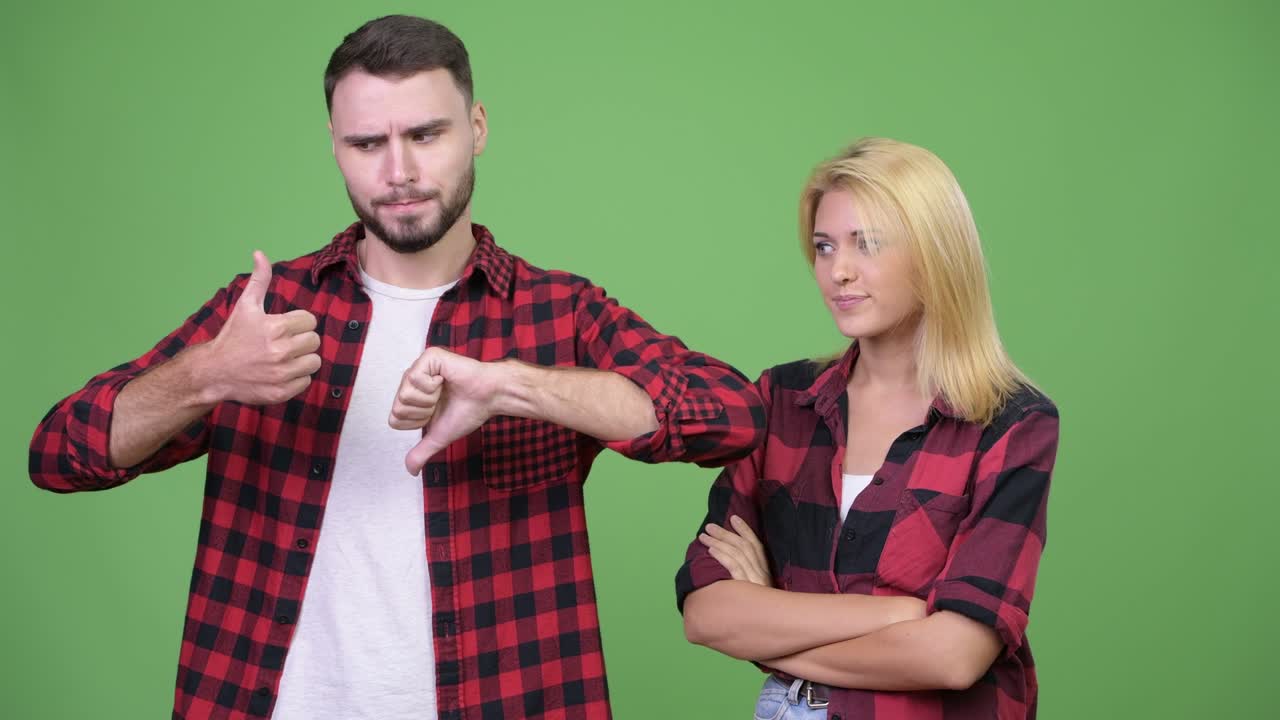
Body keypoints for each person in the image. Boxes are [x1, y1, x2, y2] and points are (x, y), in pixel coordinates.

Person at [29, 15, 764, 720]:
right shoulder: (268, 312)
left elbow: (731, 416)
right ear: (334, 146)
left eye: (425, 134)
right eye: (367, 142)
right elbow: (61, 455)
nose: (399, 170)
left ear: (476, 128)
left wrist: (514, 384)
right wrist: (207, 377)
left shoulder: (556, 313)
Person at [677, 137, 1059, 720]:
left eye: (868, 244)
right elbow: (707, 615)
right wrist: (901, 613)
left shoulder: (1013, 423)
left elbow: (954, 656)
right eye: (824, 247)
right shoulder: (780, 400)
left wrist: (772, 619)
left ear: (937, 252)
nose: (839, 271)